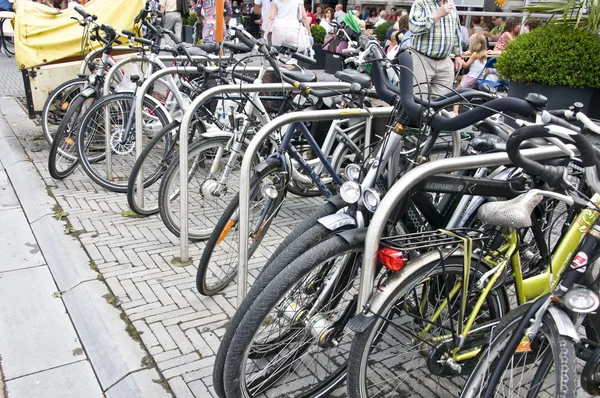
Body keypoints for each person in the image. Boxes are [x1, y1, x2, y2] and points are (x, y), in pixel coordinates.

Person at [409, 0, 464, 96]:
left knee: (442, 102)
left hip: (445, 61)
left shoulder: (450, 3)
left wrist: (458, 55)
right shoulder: (420, 3)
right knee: (419, 100)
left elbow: (456, 31)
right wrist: (437, 15)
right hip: (422, 59)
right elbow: (413, 27)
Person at [453, 33, 487, 113]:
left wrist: (460, 59)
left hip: (471, 78)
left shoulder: (475, 54)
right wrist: (469, 52)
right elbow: (472, 53)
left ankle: (455, 111)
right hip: (478, 79)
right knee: (459, 78)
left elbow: (465, 66)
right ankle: (463, 92)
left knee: (456, 93)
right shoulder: (484, 53)